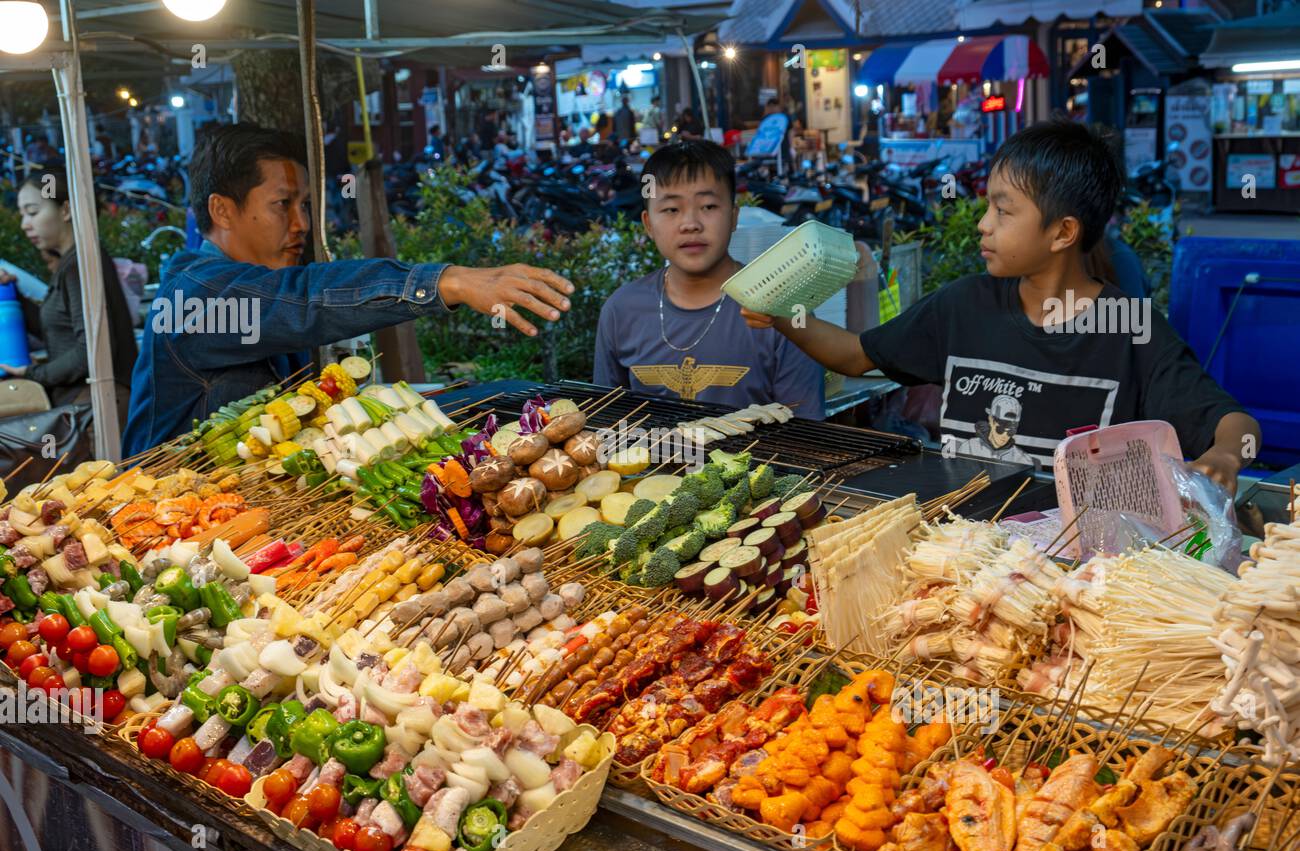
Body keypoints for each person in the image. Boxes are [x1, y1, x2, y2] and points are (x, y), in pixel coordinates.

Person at [742, 119, 1258, 493]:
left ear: (1062, 232)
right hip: (960, 545)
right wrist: (789, 318)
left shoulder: (1129, 327)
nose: (983, 224)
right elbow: (856, 355)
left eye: (1003, 210)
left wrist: (1223, 455)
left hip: (1070, 562)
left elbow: (1236, 423)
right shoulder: (964, 303)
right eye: (987, 205)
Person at [122, 123, 574, 456]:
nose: (301, 224)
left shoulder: (254, 284)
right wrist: (445, 281)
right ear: (221, 210)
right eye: (283, 205)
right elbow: (302, 300)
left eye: (304, 205)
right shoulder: (193, 298)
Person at [594, 140, 824, 418]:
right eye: (671, 210)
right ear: (648, 224)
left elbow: (805, 434)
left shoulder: (783, 310)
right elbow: (607, 422)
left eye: (708, 206)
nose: (691, 223)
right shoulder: (621, 311)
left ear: (734, 216)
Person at [0, 170, 137, 425]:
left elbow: (90, 352)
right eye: (22, 215)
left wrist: (33, 373)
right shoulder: (74, 262)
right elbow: (58, 332)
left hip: (95, 408)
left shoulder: (80, 266)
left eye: (32, 212)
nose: (24, 224)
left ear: (65, 210)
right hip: (87, 405)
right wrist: (12, 294)